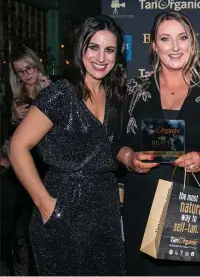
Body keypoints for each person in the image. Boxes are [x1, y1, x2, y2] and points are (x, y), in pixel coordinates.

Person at [8, 14, 127, 275]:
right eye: (93, 47)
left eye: (109, 50)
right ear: (80, 48)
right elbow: (17, 147)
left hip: (104, 207)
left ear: (117, 55)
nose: (101, 57)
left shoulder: (115, 94)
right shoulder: (60, 94)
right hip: (64, 207)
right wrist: (44, 204)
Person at [113, 10, 200, 276]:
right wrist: (128, 158)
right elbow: (115, 142)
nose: (175, 47)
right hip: (143, 203)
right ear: (153, 45)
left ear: (192, 42)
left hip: (190, 209)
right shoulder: (132, 91)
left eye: (182, 38)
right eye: (165, 39)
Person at [1, 45, 54, 275]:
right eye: (20, 72)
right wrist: (13, 118)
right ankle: (26, 266)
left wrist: (50, 94)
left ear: (36, 64)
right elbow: (10, 135)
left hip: (47, 164)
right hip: (22, 165)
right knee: (25, 221)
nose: (26, 75)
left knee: (45, 220)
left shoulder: (51, 86)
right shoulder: (15, 94)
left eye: (29, 69)